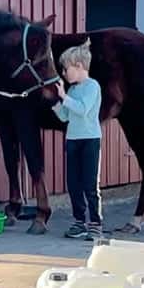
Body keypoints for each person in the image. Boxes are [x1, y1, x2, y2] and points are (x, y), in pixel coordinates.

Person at [53, 41, 103, 240]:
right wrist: (56, 104)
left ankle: (95, 224)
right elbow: (66, 116)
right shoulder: (72, 91)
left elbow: (82, 110)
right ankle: (79, 222)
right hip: (72, 139)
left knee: (90, 184)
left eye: (66, 69)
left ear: (79, 66)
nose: (64, 73)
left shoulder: (92, 87)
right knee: (73, 183)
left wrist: (64, 96)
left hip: (90, 139)